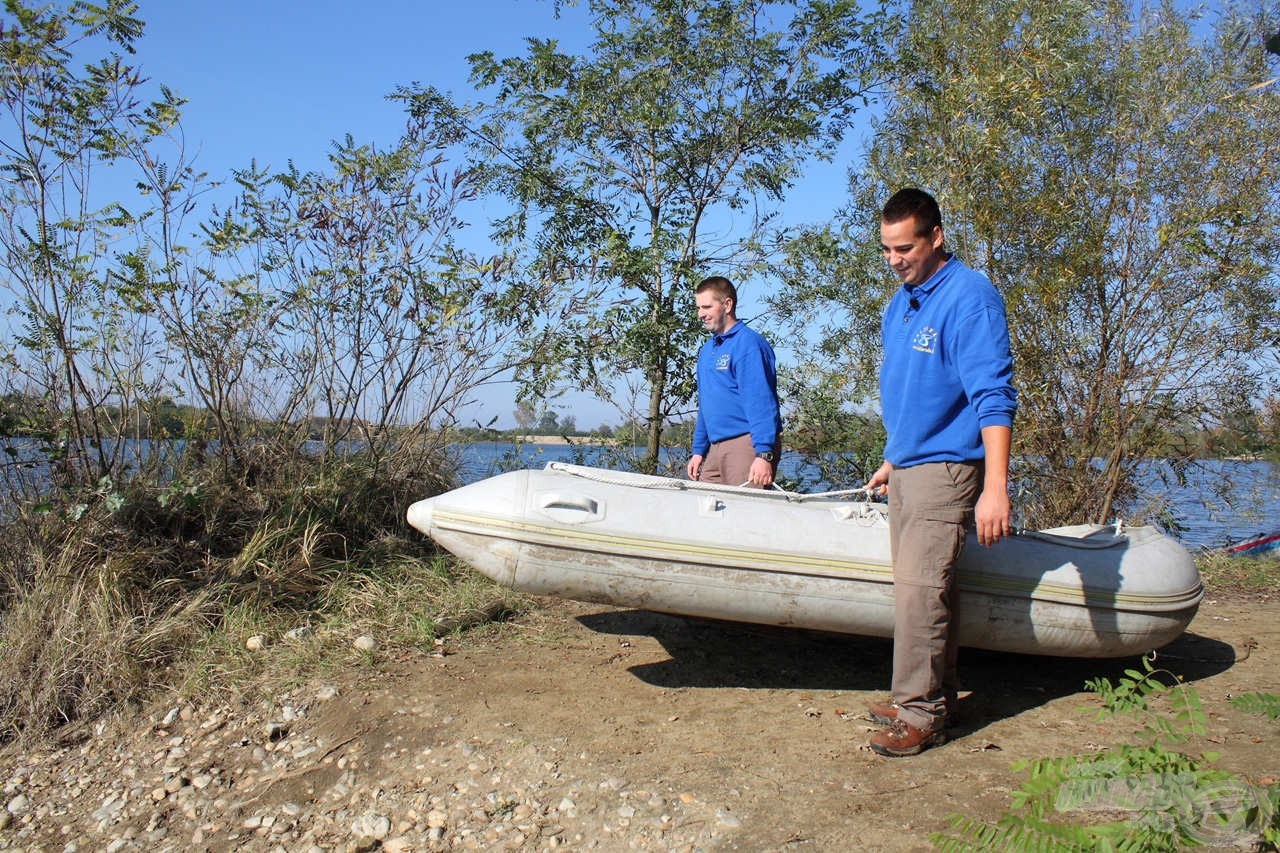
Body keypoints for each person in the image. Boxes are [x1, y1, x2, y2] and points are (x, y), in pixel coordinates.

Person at [863, 188, 1017, 757]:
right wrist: (892, 456)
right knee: (925, 592)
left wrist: (995, 487)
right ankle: (936, 695)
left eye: (905, 248)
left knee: (919, 597)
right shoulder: (900, 303)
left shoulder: (970, 298)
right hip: (908, 466)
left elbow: (993, 397)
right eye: (886, 249)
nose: (895, 259)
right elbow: (914, 394)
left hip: (949, 470)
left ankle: (919, 716)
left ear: (936, 237)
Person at [686, 276, 782, 488]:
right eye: (698, 308)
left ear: (727, 305)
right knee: (705, 511)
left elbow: (761, 401)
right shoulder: (707, 351)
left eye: (707, 306)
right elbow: (707, 405)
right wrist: (698, 451)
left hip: (746, 445)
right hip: (715, 447)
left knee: (746, 516)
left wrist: (764, 453)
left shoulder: (749, 344)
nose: (700, 314)